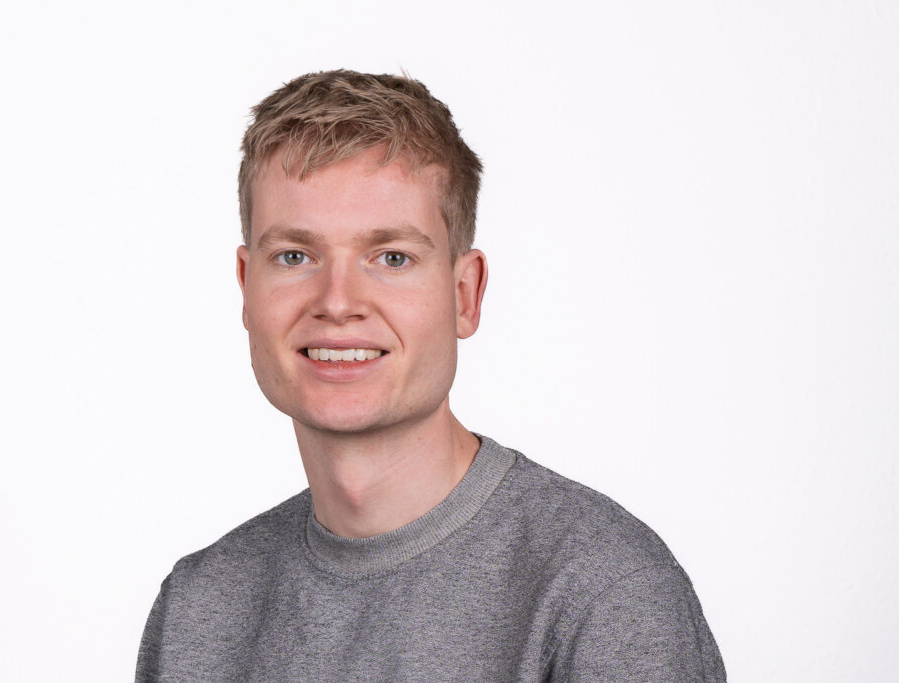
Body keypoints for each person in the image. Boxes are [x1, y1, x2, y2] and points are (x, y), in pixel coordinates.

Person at [136, 69, 726, 682]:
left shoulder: (604, 594)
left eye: (392, 257)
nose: (337, 302)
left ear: (465, 294)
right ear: (246, 288)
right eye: (294, 256)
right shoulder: (198, 609)